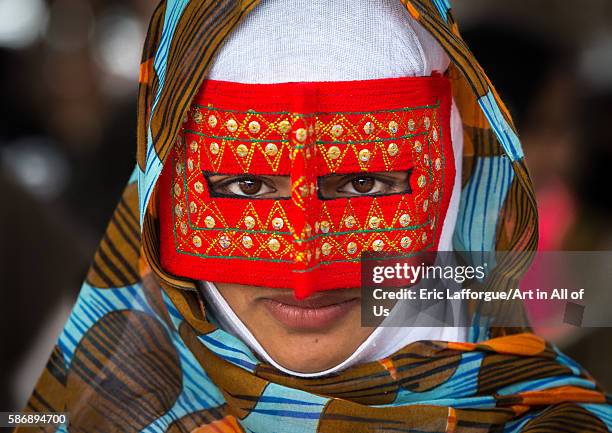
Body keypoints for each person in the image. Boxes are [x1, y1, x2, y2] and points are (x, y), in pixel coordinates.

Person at [18, 1, 611, 432]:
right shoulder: (89, 409)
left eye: (363, 182)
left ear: (450, 172)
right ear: (163, 191)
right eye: (246, 184)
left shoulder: (559, 416)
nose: (304, 270)